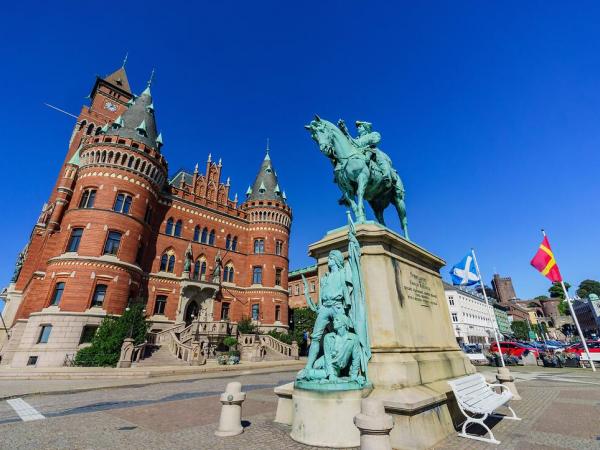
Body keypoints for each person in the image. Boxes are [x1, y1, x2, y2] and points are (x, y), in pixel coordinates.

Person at [297, 250, 351, 381]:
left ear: (337, 260)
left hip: (337, 305)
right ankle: (308, 367)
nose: (329, 260)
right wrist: (320, 305)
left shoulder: (343, 274)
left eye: (332, 257)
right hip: (325, 307)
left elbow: (347, 289)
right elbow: (321, 296)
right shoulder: (324, 278)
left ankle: (344, 365)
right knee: (315, 337)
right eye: (329, 257)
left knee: (344, 333)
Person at [337, 119, 395, 189]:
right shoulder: (357, 138)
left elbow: (376, 140)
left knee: (381, 159)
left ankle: (387, 177)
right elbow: (352, 142)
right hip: (360, 153)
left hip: (371, 150)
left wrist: (366, 146)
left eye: (360, 127)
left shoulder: (373, 134)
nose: (358, 128)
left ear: (365, 127)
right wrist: (344, 130)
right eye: (358, 127)